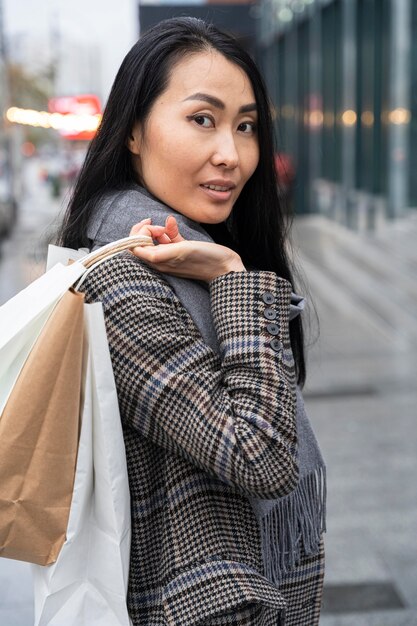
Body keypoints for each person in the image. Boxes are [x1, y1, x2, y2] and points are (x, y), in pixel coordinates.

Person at [58, 17, 326, 626]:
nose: (230, 154)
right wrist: (233, 278)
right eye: (201, 119)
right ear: (131, 129)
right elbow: (258, 458)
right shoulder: (118, 279)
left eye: (246, 126)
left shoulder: (182, 251)